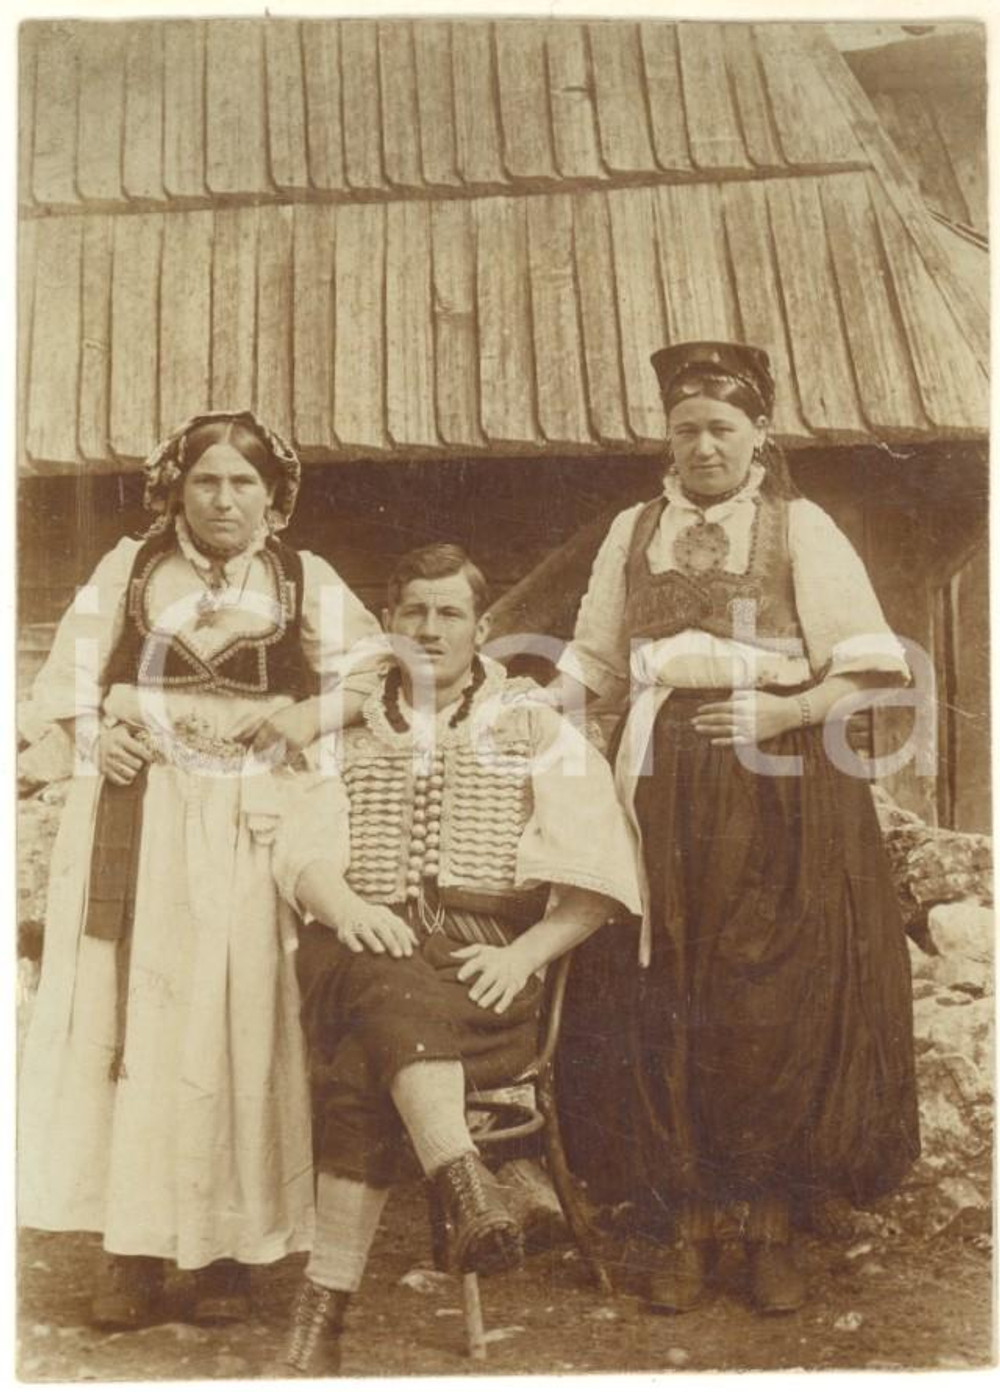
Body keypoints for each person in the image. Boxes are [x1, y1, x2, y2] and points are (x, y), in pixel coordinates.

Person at [548, 342, 920, 1315]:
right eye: (687, 429)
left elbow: (867, 668)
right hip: (655, 781)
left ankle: (765, 1224)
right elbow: (592, 664)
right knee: (663, 986)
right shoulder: (634, 529)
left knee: (764, 993)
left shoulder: (799, 526)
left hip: (777, 780)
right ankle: (685, 1222)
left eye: (722, 427)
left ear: (759, 433)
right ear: (666, 438)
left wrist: (786, 710)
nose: (704, 445)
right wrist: (528, 717)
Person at [18, 411, 384, 1327]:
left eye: (243, 483)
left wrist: (303, 717)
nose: (225, 500)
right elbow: (59, 687)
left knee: (236, 1019)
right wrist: (97, 738)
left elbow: (371, 672)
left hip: (246, 825)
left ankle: (227, 1252)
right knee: (135, 1022)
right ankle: (132, 1251)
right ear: (176, 490)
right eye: (207, 481)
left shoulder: (301, 576)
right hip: (140, 818)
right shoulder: (130, 568)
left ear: (273, 493)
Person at [267, 543, 641, 1375]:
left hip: (482, 974)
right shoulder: (344, 730)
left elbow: (600, 877)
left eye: (449, 613)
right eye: (414, 611)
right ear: (388, 622)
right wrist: (349, 908)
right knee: (380, 979)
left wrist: (527, 956)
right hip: (358, 947)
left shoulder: (531, 725)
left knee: (368, 1058)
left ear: (481, 627)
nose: (430, 629)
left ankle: (322, 1314)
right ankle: (464, 1174)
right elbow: (301, 853)